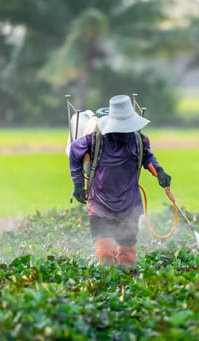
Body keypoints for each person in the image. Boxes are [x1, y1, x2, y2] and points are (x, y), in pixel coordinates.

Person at [69, 95, 171, 267]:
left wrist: (159, 171)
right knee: (105, 254)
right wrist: (78, 184)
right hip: (100, 204)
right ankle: (107, 288)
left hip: (129, 205)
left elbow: (148, 157)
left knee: (127, 256)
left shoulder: (139, 141)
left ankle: (126, 289)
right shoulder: (95, 141)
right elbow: (74, 151)